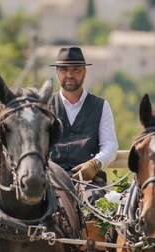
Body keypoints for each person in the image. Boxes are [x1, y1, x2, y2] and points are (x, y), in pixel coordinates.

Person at [48, 47, 118, 189]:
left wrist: (95, 164)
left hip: (90, 184)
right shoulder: (44, 107)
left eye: (76, 70)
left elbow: (110, 145)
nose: (69, 75)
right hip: (51, 183)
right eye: (63, 70)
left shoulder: (101, 106)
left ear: (84, 72)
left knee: (95, 209)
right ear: (57, 73)